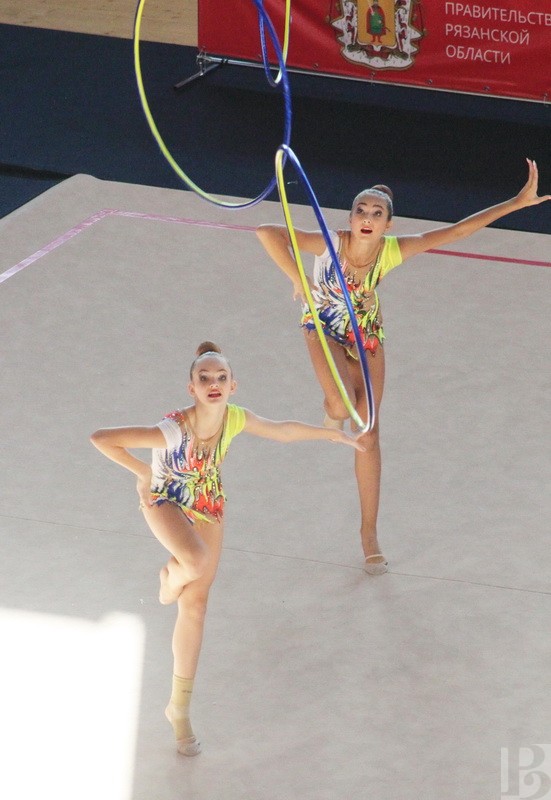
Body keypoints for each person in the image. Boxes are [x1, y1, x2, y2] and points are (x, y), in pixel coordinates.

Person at [256, 159, 549, 575]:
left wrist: (516, 203)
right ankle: (332, 409)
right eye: (361, 211)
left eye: (377, 214)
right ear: (350, 218)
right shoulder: (329, 242)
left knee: (368, 433)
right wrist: (299, 280)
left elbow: (458, 231)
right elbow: (268, 233)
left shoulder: (392, 251)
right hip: (322, 328)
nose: (367, 219)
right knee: (340, 407)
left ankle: (368, 533)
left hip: (366, 336)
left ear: (388, 225)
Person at [90, 341, 363, 756]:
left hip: (208, 504)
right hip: (165, 500)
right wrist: (143, 472)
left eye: (221, 378)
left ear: (233, 386)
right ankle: (169, 577)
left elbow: (283, 430)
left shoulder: (235, 418)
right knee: (195, 560)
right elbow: (102, 439)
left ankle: (179, 708)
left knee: (196, 606)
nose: (213, 384)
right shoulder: (172, 430)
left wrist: (332, 434)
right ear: (192, 388)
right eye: (204, 378)